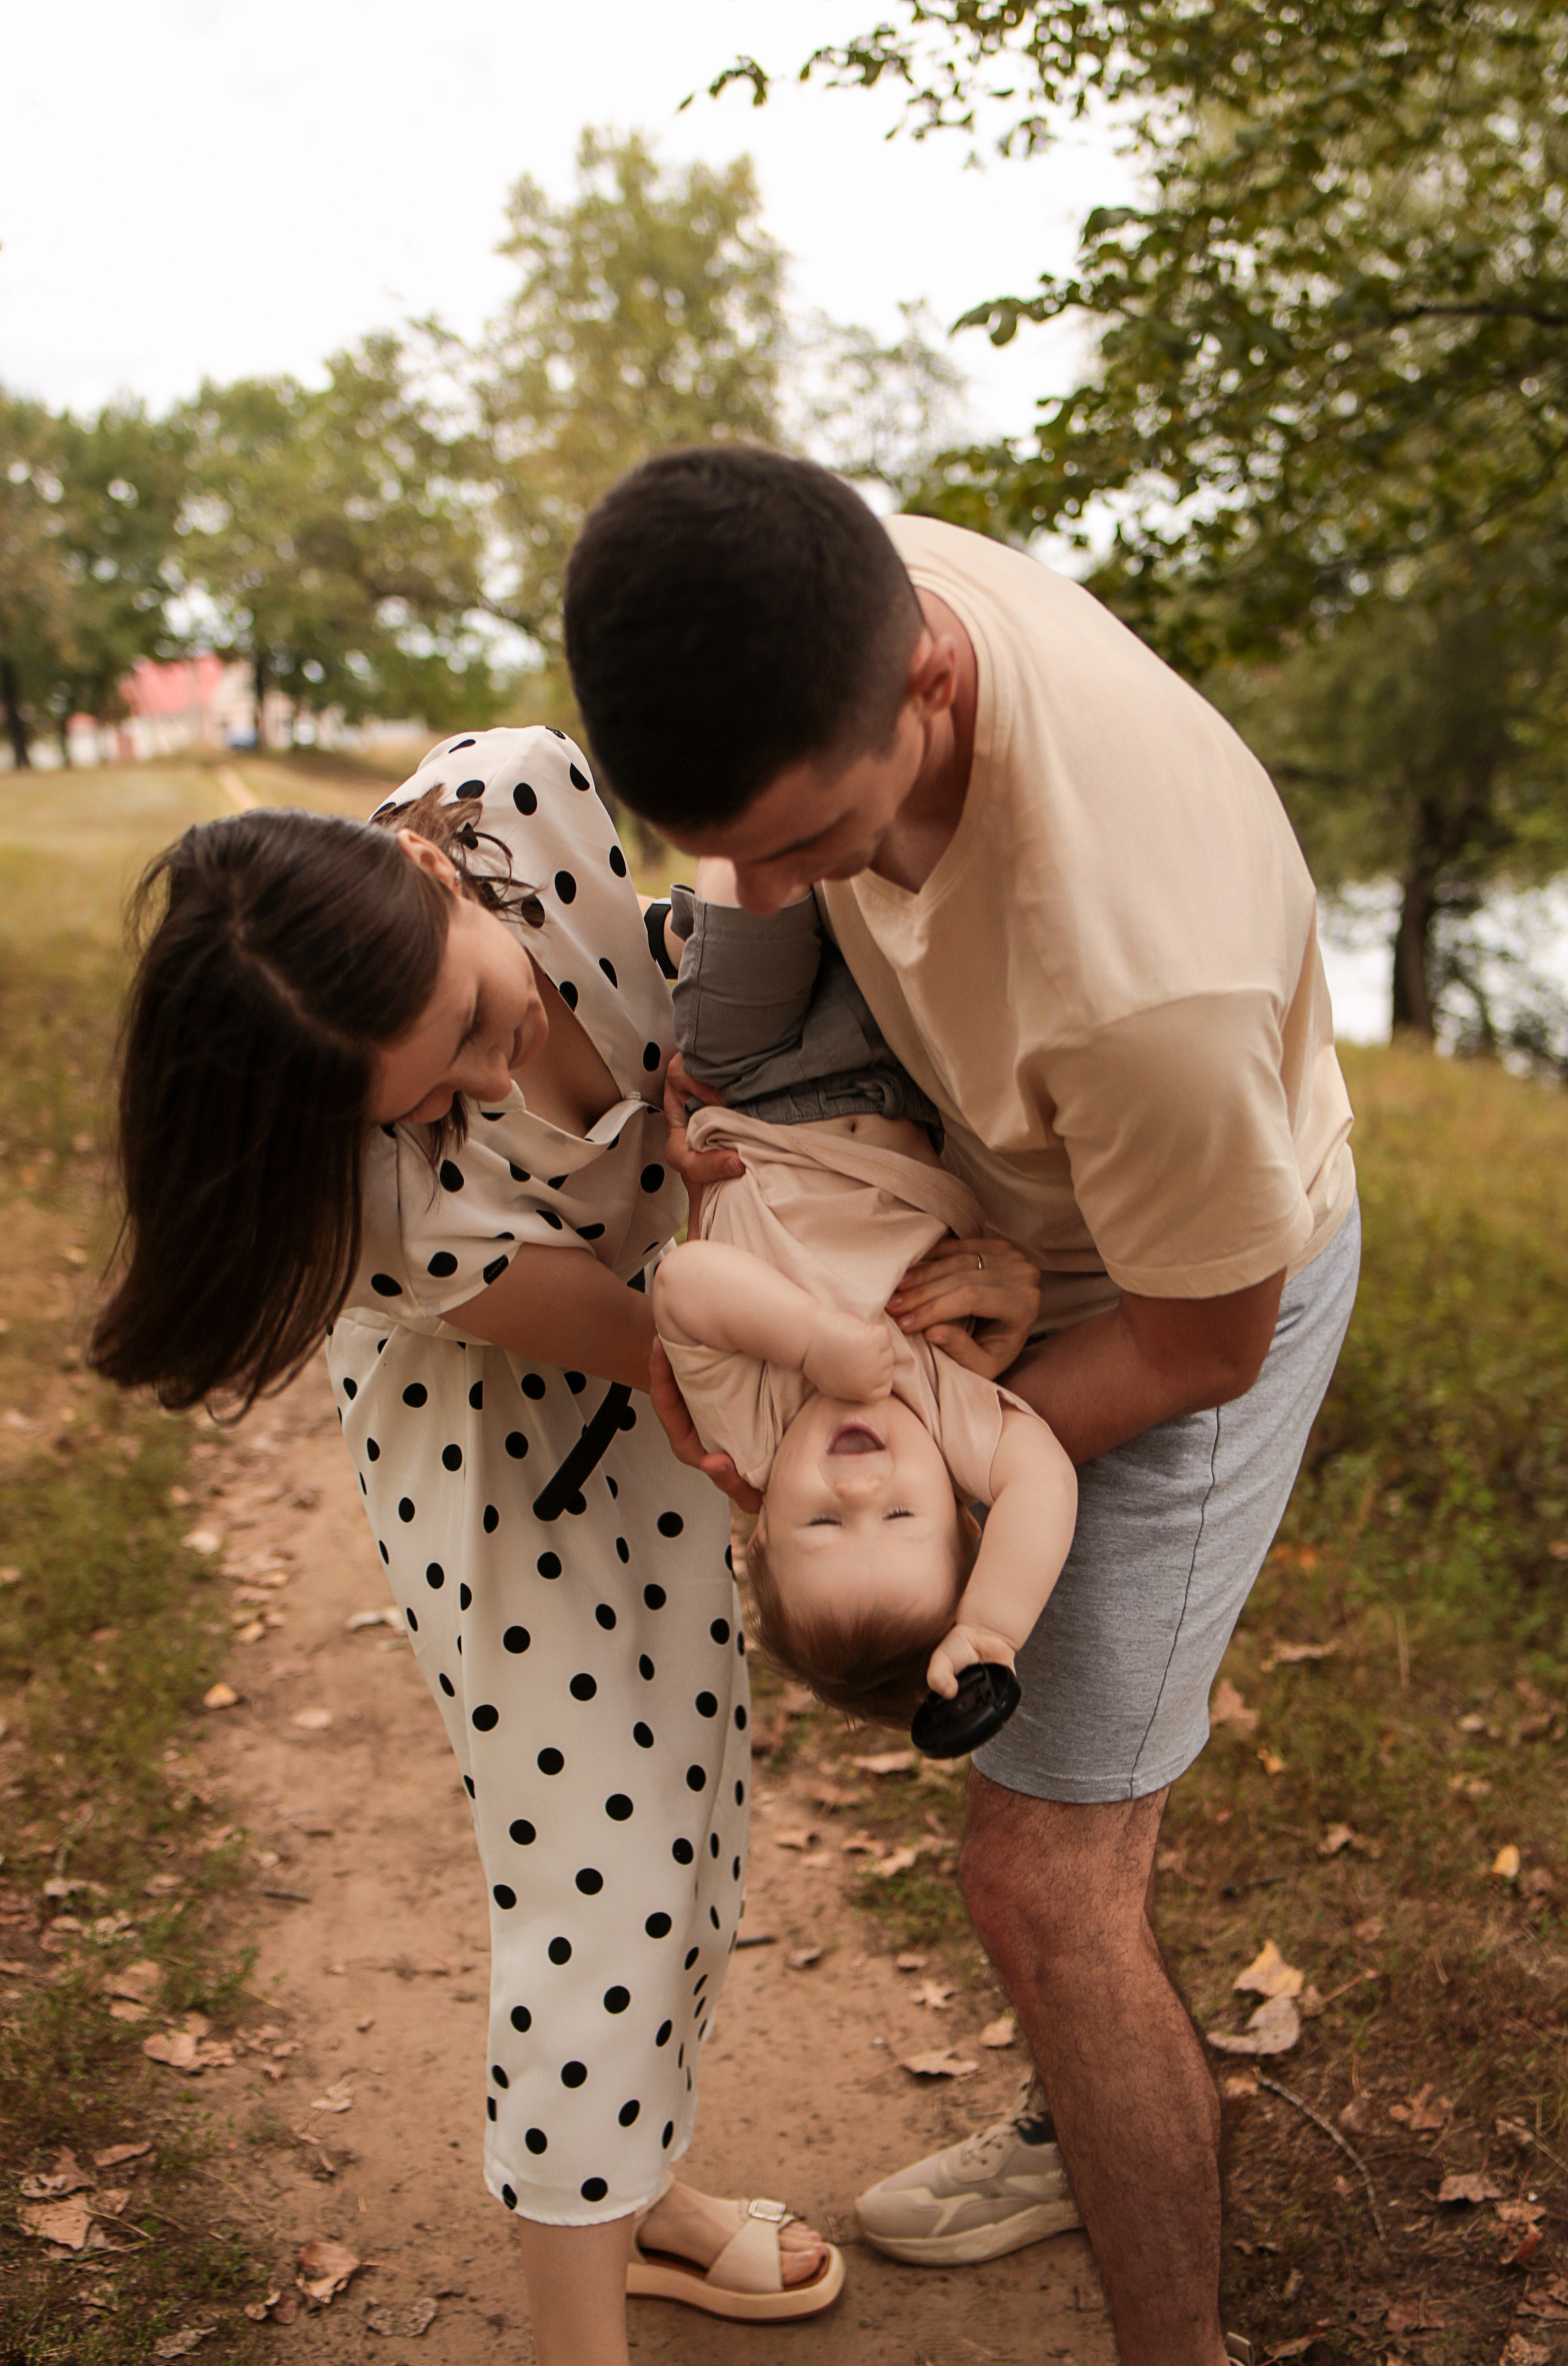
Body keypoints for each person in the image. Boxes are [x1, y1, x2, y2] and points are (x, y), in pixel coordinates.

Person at [562, 447, 1360, 2366]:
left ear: (925, 673)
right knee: (1052, 1883)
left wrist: (938, 1425)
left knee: (1042, 1878)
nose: (747, 899)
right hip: (974, 1203)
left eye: (797, 838)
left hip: (1178, 1280)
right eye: (716, 848)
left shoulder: (1138, 975)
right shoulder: (813, 590)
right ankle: (1070, 2110)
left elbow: (1196, 1346)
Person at [88, 725, 844, 2366]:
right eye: (435, 1097)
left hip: (673, 1339)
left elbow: (715, 960)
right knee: (606, 1865)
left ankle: (637, 2196)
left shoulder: (518, 791)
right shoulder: (368, 1192)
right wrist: (805, 1420)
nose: (485, 1089)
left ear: (433, 871)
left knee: (702, 1806)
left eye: (464, 1030)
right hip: (502, 1458)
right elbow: (647, 1340)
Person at [650, 864, 1077, 1724]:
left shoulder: (753, 1430)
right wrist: (992, 1625)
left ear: (763, 1528)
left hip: (757, 1077)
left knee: (762, 863)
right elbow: (1042, 1479)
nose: (861, 1491)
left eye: (825, 1528)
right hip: (911, 1078)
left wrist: (810, 1338)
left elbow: (683, 1285)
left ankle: (724, 857)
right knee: (915, 879)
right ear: (962, 1507)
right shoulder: (936, 1409)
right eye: (902, 1512)